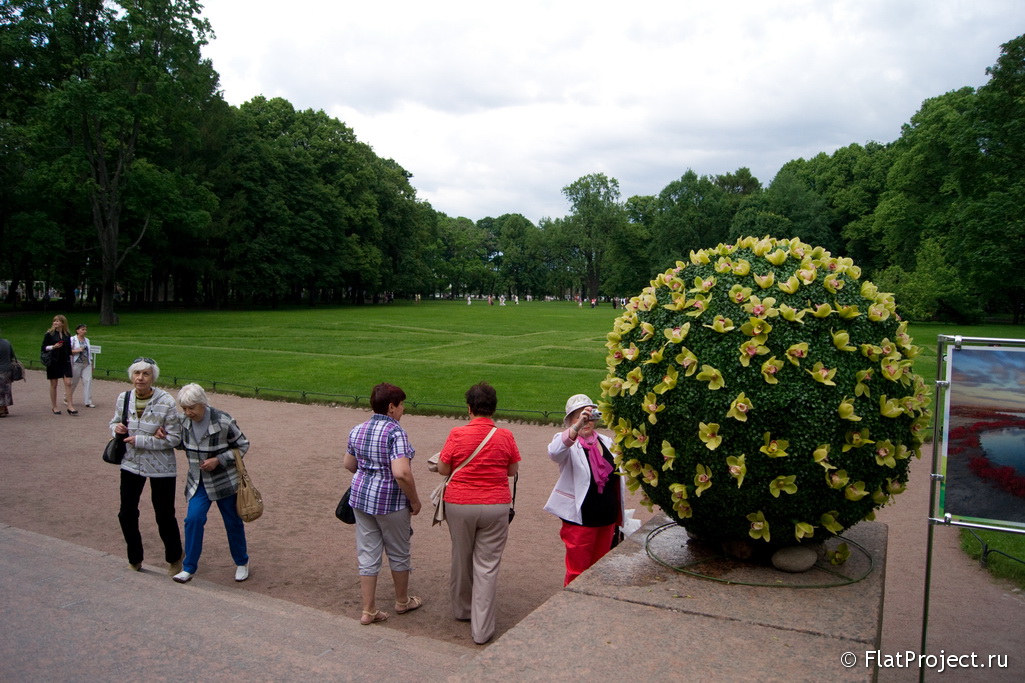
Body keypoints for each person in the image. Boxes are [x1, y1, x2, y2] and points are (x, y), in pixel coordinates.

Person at [437, 382, 521, 645]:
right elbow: (512, 470)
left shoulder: (457, 433)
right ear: (493, 408)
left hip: (460, 503)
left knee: (461, 557)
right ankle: (482, 629)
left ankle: (462, 610)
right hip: (495, 504)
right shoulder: (505, 436)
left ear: (469, 408)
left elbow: (442, 469)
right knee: (487, 566)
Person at [343, 383, 424, 625]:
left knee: (367, 552)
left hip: (360, 498)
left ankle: (368, 610)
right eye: (401, 404)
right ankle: (402, 601)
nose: (403, 409)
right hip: (390, 501)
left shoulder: (358, 428)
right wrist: (415, 500)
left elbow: (348, 464)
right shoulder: (395, 432)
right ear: (391, 407)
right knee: (399, 551)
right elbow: (401, 473)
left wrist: (369, 472)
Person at [171, 384, 252, 584]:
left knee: (232, 522)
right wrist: (167, 438)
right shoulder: (183, 421)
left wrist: (219, 460)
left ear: (203, 404)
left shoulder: (223, 420)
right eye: (185, 408)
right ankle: (188, 567)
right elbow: (181, 444)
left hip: (224, 481)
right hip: (198, 481)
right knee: (193, 520)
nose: (188, 413)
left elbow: (243, 445)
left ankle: (242, 562)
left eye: (192, 408)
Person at [110, 358, 184, 574]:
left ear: (153, 378)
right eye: (136, 373)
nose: (140, 378)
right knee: (127, 513)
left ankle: (174, 556)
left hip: (161, 467)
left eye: (145, 374)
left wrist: (141, 440)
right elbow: (114, 421)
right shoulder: (124, 398)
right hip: (131, 463)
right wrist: (117, 428)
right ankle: (135, 557)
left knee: (163, 514)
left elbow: (174, 439)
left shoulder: (166, 402)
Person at [544, 394, 625, 586]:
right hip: (581, 520)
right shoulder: (567, 442)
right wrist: (578, 426)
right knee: (577, 573)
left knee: (599, 572)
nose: (585, 421)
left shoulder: (606, 441)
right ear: (571, 421)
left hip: (607, 518)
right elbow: (554, 452)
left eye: (588, 416)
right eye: (578, 416)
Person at [42, 314, 76, 415]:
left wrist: (71, 358)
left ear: (63, 323)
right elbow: (43, 348)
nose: (55, 322)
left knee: (68, 382)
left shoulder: (67, 334)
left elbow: (69, 349)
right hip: (53, 361)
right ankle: (54, 406)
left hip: (65, 361)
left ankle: (70, 406)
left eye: (57, 321)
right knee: (54, 384)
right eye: (54, 321)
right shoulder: (49, 334)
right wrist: (53, 347)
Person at [69, 324, 95, 408]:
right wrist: (78, 350)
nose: (84, 331)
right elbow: (68, 351)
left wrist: (91, 363)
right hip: (76, 363)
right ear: (77, 330)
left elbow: (89, 352)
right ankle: (67, 398)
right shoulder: (72, 339)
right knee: (73, 382)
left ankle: (88, 401)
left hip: (86, 363)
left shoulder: (87, 340)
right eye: (82, 329)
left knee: (88, 381)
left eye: (85, 330)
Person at [0, 330, 15, 417]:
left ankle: (1, 410)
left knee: (1, 391)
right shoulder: (6, 342)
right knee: (6, 390)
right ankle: (4, 408)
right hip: (7, 369)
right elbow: (11, 356)